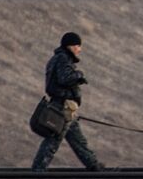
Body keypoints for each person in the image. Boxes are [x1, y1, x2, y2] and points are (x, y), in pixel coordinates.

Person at [31, 32, 104, 171]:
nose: (79, 49)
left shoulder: (58, 58)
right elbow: (65, 78)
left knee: (77, 140)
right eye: (77, 45)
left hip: (65, 107)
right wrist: (79, 75)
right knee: (54, 140)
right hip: (62, 106)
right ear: (70, 46)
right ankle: (37, 171)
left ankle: (94, 166)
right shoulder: (63, 59)